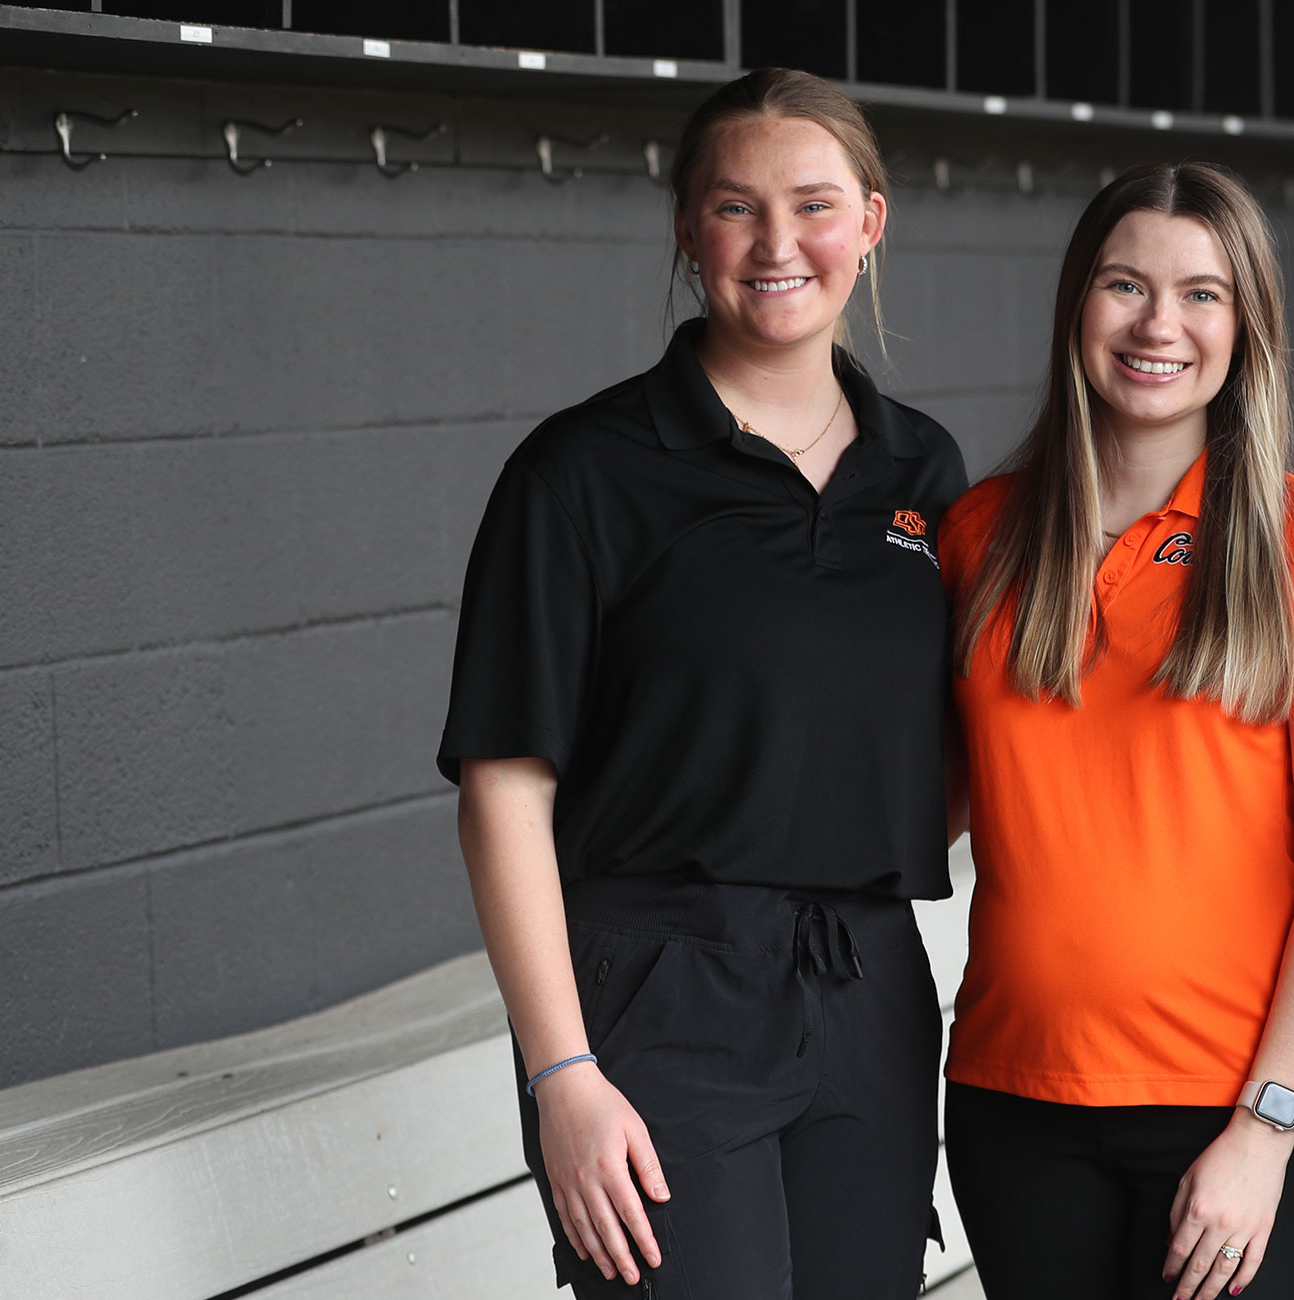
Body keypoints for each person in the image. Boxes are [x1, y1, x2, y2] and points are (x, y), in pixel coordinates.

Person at [436, 68, 967, 1298]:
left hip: (867, 982)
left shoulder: (923, 470)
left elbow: (949, 741)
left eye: (815, 205)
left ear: (872, 222)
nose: (778, 244)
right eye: (736, 208)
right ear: (687, 227)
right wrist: (560, 1072)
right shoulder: (581, 472)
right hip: (658, 989)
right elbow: (503, 790)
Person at [936, 162, 1294, 1300]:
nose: (1158, 324)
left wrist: (1267, 1125)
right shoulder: (980, 536)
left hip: (1237, 1109)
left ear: (1246, 327)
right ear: (1075, 307)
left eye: (1201, 294)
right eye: (1123, 284)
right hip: (1014, 1101)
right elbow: (920, 800)